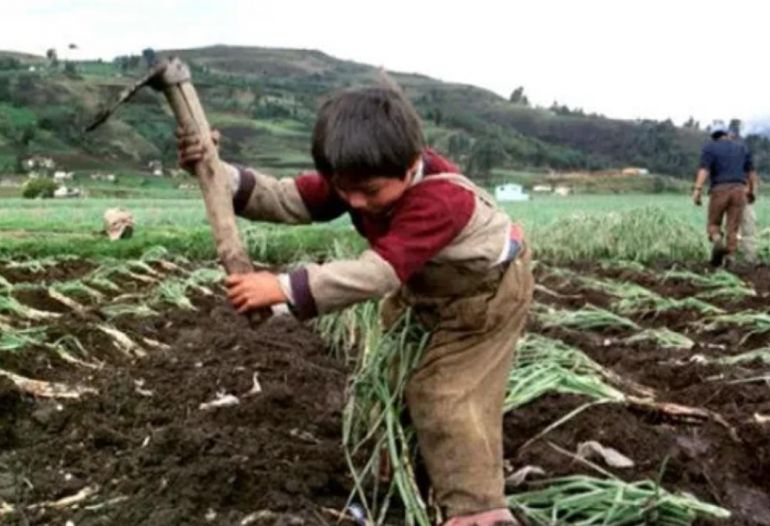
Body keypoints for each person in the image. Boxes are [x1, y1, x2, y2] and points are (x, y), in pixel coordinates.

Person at [179, 85, 531, 526]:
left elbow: (378, 273)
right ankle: (404, 466)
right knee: (391, 377)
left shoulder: (441, 200)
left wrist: (284, 289)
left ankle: (479, 510)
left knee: (445, 393)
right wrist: (218, 173)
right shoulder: (355, 177)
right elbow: (288, 198)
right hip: (425, 287)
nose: (355, 202)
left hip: (484, 295)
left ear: (411, 165)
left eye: (368, 192)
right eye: (343, 191)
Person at [692, 121, 758, 267]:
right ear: (727, 134)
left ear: (713, 136)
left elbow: (704, 170)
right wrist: (752, 191)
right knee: (732, 227)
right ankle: (730, 258)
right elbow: (751, 172)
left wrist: (697, 189)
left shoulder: (710, 148)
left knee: (714, 223)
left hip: (719, 190)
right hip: (739, 190)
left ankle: (716, 239)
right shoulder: (741, 148)